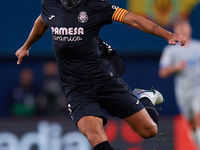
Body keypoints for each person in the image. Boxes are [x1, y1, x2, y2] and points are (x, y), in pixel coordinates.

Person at [15, 0, 186, 149]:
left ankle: (144, 97)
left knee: (149, 130)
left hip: (103, 80)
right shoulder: (49, 3)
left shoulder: (96, 4)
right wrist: (26, 46)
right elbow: (42, 20)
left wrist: (168, 35)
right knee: (96, 136)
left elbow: (133, 20)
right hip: (75, 87)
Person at [159, 19, 200, 148]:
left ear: (190, 28)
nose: (182, 28)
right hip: (183, 92)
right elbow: (162, 72)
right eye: (179, 26)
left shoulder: (198, 47)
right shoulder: (171, 51)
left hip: (198, 89)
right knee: (192, 125)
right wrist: (176, 67)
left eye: (184, 25)